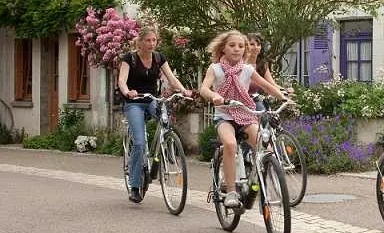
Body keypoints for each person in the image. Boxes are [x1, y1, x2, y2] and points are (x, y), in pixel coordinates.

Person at [199, 30, 286, 208]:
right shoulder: (215, 69)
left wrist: (283, 98)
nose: (236, 49)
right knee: (230, 145)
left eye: (240, 46)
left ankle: (257, 182)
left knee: (266, 148)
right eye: (232, 45)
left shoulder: (247, 69)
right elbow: (204, 89)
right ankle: (231, 191)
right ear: (223, 48)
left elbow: (266, 86)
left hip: (245, 115)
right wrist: (214, 96)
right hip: (224, 116)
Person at [118, 25, 191, 203]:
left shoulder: (159, 58)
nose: (152, 44)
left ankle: (166, 146)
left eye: (154, 40)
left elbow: (171, 78)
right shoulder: (130, 58)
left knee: (165, 119)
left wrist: (183, 90)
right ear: (140, 42)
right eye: (148, 40)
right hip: (134, 102)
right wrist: (128, 92)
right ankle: (135, 186)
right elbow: (122, 80)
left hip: (152, 99)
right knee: (139, 143)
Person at [246, 32, 291, 110]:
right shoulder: (241, 64)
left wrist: (285, 91)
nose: (256, 47)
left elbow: (272, 84)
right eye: (252, 44)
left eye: (258, 45)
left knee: (265, 113)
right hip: (239, 101)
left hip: (254, 99)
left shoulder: (263, 64)